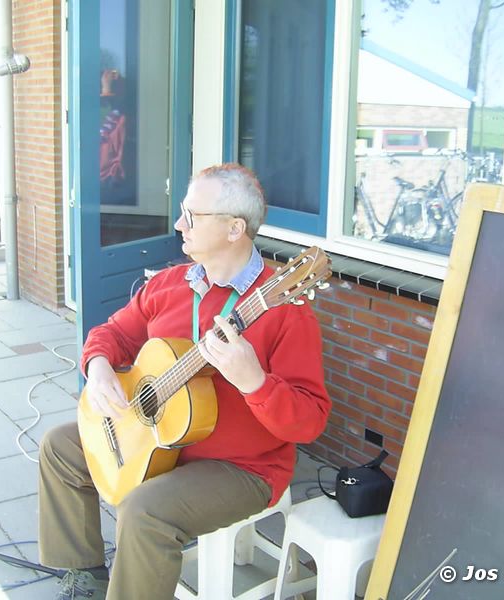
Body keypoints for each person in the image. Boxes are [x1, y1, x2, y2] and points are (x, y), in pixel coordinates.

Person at [38, 163, 331, 600]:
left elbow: (310, 421)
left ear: (235, 229)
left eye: (192, 216)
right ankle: (84, 574)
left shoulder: (285, 310)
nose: (179, 225)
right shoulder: (171, 283)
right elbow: (112, 334)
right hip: (159, 443)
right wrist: (97, 364)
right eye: (182, 212)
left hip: (241, 467)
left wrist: (255, 383)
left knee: (144, 511)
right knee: (60, 447)